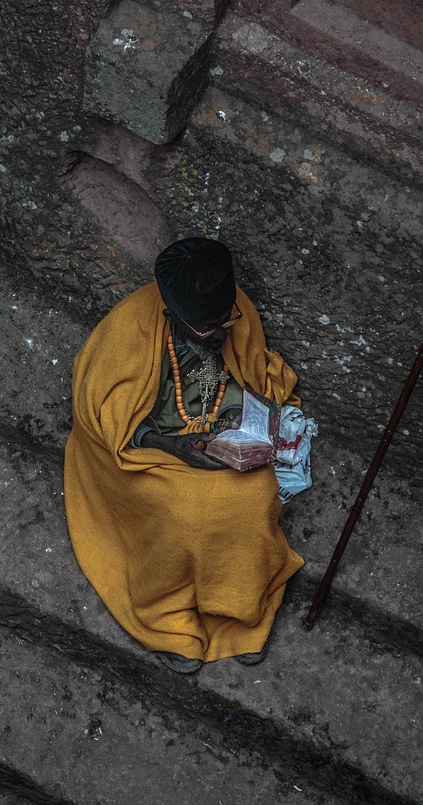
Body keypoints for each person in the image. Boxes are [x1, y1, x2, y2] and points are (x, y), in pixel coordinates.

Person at [63, 237, 302, 674]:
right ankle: (166, 617)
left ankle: (240, 610)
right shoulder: (128, 330)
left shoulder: (231, 313)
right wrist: (174, 446)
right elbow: (100, 417)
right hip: (145, 447)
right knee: (183, 515)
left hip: (212, 431)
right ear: (173, 317)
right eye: (206, 328)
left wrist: (237, 410)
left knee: (252, 498)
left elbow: (244, 370)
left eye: (225, 321)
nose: (222, 332)